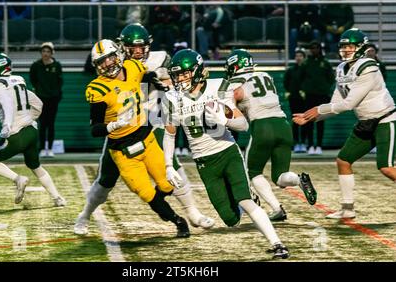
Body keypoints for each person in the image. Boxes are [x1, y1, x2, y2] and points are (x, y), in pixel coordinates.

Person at [74, 24, 214, 236]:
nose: (138, 51)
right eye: (133, 47)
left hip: (152, 123)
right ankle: (85, 215)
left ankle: (192, 213)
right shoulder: (115, 66)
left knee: (172, 169)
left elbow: (177, 79)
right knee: (105, 182)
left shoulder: (160, 59)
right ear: (122, 47)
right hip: (120, 133)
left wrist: (162, 82)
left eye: (142, 47)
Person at [163, 48, 289, 259]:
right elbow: (169, 134)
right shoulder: (172, 98)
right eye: (177, 75)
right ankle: (246, 199)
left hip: (228, 152)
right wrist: (168, 164)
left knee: (245, 201)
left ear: (197, 71)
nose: (180, 79)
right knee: (231, 219)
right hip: (204, 162)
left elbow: (243, 125)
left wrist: (225, 121)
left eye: (184, 73)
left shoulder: (218, 88)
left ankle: (277, 244)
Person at [293, 28, 396, 219]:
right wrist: (311, 117)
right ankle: (347, 209)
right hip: (365, 122)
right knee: (343, 161)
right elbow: (335, 103)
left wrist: (317, 110)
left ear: (361, 47)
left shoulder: (369, 67)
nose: (346, 50)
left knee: (386, 167)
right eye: (344, 46)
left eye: (350, 46)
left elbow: (349, 104)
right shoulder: (341, 68)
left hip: (384, 120)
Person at [224, 49, 317, 222]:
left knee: (252, 172)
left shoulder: (233, 84)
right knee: (280, 177)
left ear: (236, 66)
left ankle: (276, 208)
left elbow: (235, 106)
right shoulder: (265, 75)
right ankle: (299, 179)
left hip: (262, 126)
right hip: (283, 125)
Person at [0, 53, 66, 207]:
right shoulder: (18, 80)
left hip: (15, 133)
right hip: (31, 132)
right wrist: (30, 119)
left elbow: (6, 103)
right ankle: (57, 198)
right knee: (35, 166)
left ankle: (18, 179)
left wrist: (7, 125)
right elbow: (38, 103)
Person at [300, 40, 335, 155]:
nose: (314, 50)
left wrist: (326, 90)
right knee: (309, 120)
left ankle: (319, 145)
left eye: (316, 48)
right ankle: (310, 145)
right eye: (312, 48)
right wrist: (304, 90)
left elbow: (331, 78)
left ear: (320, 49)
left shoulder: (325, 63)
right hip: (309, 95)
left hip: (322, 96)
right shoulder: (306, 63)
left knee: (320, 121)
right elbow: (301, 78)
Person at [29, 42, 63, 158]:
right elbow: (32, 79)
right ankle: (43, 148)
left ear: (52, 53)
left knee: (51, 124)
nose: (46, 53)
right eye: (44, 51)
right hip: (40, 99)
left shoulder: (57, 65)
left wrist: (56, 94)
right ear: (41, 53)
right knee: (42, 124)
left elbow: (60, 82)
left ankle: (50, 149)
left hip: (53, 99)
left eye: (48, 51)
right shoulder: (35, 65)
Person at [284, 47, 307, 153]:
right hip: (293, 99)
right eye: (297, 56)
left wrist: (304, 90)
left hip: (305, 99)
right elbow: (286, 82)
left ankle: (303, 143)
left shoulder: (307, 69)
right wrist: (289, 91)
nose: (298, 58)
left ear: (304, 57)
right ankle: (296, 143)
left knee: (304, 121)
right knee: (295, 121)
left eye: (300, 56)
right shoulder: (291, 70)